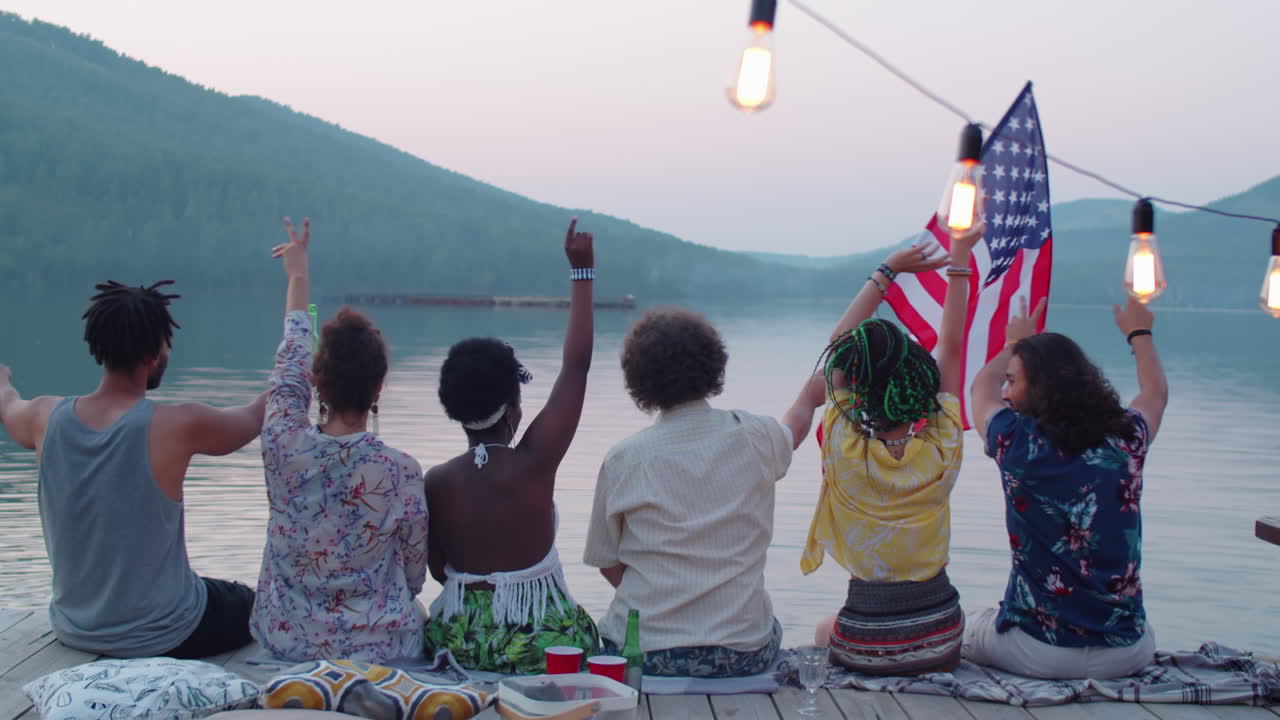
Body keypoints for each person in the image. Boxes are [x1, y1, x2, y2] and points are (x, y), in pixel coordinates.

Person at [0, 281, 266, 659]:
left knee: (203, 588)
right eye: (167, 343)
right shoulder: (180, 423)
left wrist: (3, 381)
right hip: (168, 633)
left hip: (76, 628)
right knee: (252, 603)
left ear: (99, 345)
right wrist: (297, 377)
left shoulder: (44, 417)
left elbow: (8, 407)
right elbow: (256, 416)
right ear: (154, 354)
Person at [582, 304, 817, 678]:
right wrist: (812, 394)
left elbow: (607, 561)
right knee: (768, 624)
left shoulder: (623, 459)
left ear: (637, 380)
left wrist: (666, 598)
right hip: (742, 652)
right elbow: (795, 430)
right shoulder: (755, 435)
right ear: (713, 366)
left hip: (646, 655)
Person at [798, 223, 985, 676]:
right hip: (942, 640)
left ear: (859, 391)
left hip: (863, 644)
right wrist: (960, 257)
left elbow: (838, 351)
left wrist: (887, 272)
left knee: (822, 632)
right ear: (923, 390)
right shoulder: (943, 448)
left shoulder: (844, 448)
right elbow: (954, 346)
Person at [423, 218, 599, 675]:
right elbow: (576, 367)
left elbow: (439, 572)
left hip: (458, 643)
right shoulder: (536, 461)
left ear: (455, 410)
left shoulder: (437, 482)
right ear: (512, 411)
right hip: (542, 642)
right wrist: (582, 273)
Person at [250, 218, 428, 663]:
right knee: (420, 609)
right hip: (379, 646)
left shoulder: (281, 440)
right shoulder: (401, 470)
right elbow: (413, 575)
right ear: (380, 387)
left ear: (317, 384)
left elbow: (291, 358)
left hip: (286, 641)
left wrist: (298, 275)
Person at [963, 296, 1166, 679]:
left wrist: (1013, 344)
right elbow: (1155, 395)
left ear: (1038, 386)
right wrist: (1140, 333)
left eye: (1012, 380)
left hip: (1037, 651)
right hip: (1126, 652)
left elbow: (980, 391)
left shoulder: (1015, 440)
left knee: (970, 625)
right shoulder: (1126, 440)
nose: (1005, 391)